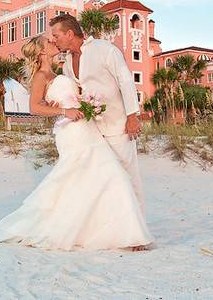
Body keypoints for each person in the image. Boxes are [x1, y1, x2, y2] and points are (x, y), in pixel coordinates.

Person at [0, 35, 153, 251]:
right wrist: (64, 110)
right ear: (41, 52)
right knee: (98, 175)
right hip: (72, 133)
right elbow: (34, 108)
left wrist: (92, 106)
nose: (53, 42)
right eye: (49, 42)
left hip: (88, 129)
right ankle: (128, 236)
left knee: (104, 177)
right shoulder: (41, 76)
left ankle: (121, 234)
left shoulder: (61, 71)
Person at [49, 14, 146, 218]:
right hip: (91, 129)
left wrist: (132, 116)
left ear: (69, 33)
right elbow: (74, 91)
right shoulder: (67, 61)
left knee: (128, 175)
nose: (54, 40)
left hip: (118, 125)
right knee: (104, 178)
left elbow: (126, 81)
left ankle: (139, 230)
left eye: (56, 35)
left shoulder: (104, 50)